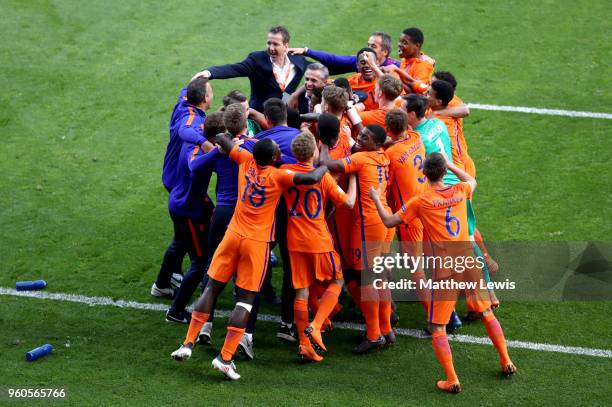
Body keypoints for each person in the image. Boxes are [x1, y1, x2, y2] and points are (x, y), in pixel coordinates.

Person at [170, 136, 329, 381]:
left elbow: (224, 141)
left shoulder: (245, 160)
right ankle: (224, 358)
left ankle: (187, 344)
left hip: (232, 234)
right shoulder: (280, 176)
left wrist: (235, 138)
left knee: (212, 288)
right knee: (245, 300)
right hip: (256, 244)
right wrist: (326, 160)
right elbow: (312, 178)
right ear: (275, 158)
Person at [369, 152, 516, 393]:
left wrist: (376, 197)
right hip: (469, 261)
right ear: (444, 172)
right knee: (487, 312)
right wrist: (451, 165)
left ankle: (452, 379)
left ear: (424, 174)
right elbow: (472, 180)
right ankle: (506, 360)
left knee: (437, 327)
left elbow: (388, 221)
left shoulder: (421, 200)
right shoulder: (460, 190)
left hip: (446, 270)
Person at [319, 124, 395, 354]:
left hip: (368, 224)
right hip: (384, 219)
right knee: (379, 276)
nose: (360, 137)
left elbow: (328, 164)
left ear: (376, 143)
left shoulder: (362, 158)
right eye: (361, 135)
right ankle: (386, 328)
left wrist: (323, 144)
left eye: (365, 137)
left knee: (367, 279)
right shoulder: (382, 156)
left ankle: (373, 335)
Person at [281, 132, 356, 361]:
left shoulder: (285, 173)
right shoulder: (322, 178)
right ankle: (316, 324)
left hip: (294, 240)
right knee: (338, 280)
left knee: (301, 291)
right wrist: (352, 177)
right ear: (313, 152)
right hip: (318, 239)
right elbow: (349, 203)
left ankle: (305, 346)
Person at [153, 77, 214, 300]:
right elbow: (185, 131)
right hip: (180, 179)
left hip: (176, 176)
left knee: (193, 228)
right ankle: (173, 280)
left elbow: (189, 86)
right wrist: (207, 145)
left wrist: (204, 75)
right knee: (185, 236)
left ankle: (167, 279)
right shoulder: (190, 118)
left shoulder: (183, 101)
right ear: (205, 98)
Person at [193, 26, 311, 112]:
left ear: (286, 46)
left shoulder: (298, 61)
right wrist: (209, 73)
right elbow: (234, 69)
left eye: (276, 44)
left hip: (284, 115)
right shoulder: (257, 60)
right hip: (259, 116)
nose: (271, 48)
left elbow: (322, 70)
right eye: (269, 43)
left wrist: (308, 51)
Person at [383, 109, 430, 311]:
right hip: (426, 205)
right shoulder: (416, 137)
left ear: (387, 129)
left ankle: (444, 317)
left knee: (415, 268)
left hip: (409, 216)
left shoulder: (391, 154)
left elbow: (386, 183)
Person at [288, 31, 400, 75]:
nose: (368, 49)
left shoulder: (395, 67)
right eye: (368, 45)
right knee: (314, 74)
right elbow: (334, 59)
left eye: (373, 46)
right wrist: (307, 51)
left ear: (385, 52)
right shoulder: (361, 60)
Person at [383, 27, 434, 94]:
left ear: (417, 46)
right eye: (400, 41)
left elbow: (418, 95)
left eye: (404, 42)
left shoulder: (423, 66)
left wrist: (395, 79)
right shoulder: (406, 59)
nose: (399, 44)